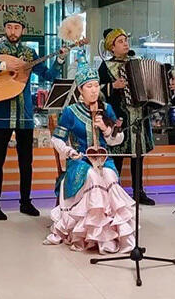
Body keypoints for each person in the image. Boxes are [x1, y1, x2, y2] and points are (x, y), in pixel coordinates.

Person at [0, 8, 67, 220]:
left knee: (26, 162)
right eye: (9, 27)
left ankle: (25, 202)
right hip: (1, 113)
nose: (13, 31)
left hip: (25, 114)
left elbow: (47, 75)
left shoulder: (29, 53)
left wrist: (59, 60)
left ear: (23, 30)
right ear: (4, 29)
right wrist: (3, 65)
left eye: (16, 27)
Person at [43, 64, 136, 253]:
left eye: (96, 85)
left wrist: (106, 129)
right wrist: (69, 151)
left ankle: (109, 235)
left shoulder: (106, 108)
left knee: (109, 176)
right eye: (89, 86)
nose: (94, 90)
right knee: (93, 177)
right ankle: (89, 233)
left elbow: (117, 139)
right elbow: (57, 139)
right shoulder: (70, 111)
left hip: (103, 159)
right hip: (80, 159)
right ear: (80, 90)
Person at [98, 28, 155, 205]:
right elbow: (96, 92)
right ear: (112, 47)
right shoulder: (105, 66)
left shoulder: (137, 63)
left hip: (138, 116)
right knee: (118, 155)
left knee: (138, 155)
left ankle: (138, 191)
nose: (125, 44)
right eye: (120, 41)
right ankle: (114, 191)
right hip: (119, 117)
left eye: (126, 40)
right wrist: (112, 86)